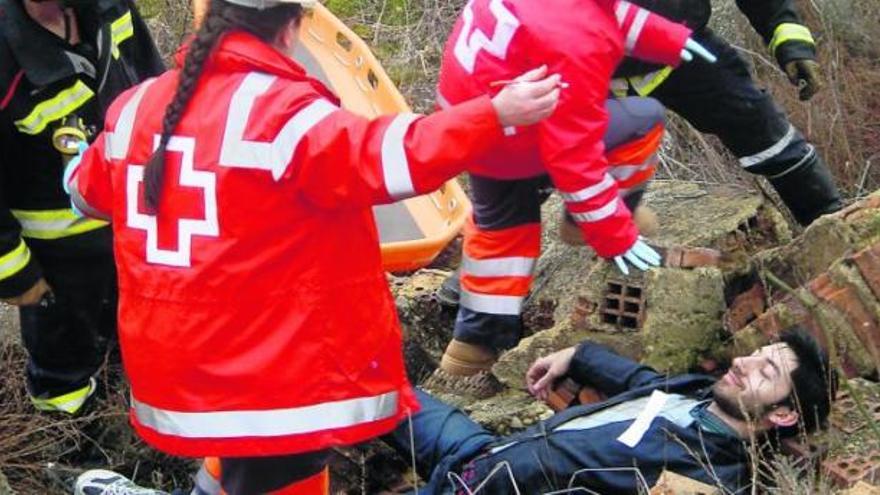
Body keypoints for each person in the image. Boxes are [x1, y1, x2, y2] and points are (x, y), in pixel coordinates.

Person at [64, 0, 562, 491]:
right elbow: (395, 157)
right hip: (269, 371)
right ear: (291, 28)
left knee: (245, 466)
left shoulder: (136, 107)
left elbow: (86, 193)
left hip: (178, 367)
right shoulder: (283, 113)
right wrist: (494, 114)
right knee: (279, 471)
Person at [429, 0, 717, 393]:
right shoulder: (576, 43)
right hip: (523, 127)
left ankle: (475, 342)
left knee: (501, 230)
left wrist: (668, 39)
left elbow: (609, 10)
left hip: (476, 121)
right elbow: (575, 159)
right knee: (644, 118)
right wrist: (613, 234)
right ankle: (582, 224)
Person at [383, 327, 835, 494]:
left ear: (782, 415)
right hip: (483, 452)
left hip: (484, 489)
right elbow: (644, 382)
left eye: (765, 370)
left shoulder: (707, 478)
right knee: (373, 389)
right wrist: (578, 354)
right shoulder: (696, 392)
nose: (743, 362)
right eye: (756, 352)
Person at [0, 0, 164, 414]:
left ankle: (123, 424)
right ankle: (69, 445)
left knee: (131, 345)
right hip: (57, 262)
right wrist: (17, 278)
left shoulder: (110, 8)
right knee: (63, 369)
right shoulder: (8, 53)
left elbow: (156, 87)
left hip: (134, 235)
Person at [607, 0, 843, 227]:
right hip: (588, 74)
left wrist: (789, 37)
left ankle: (833, 223)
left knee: (765, 133)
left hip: (683, 46)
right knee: (596, 181)